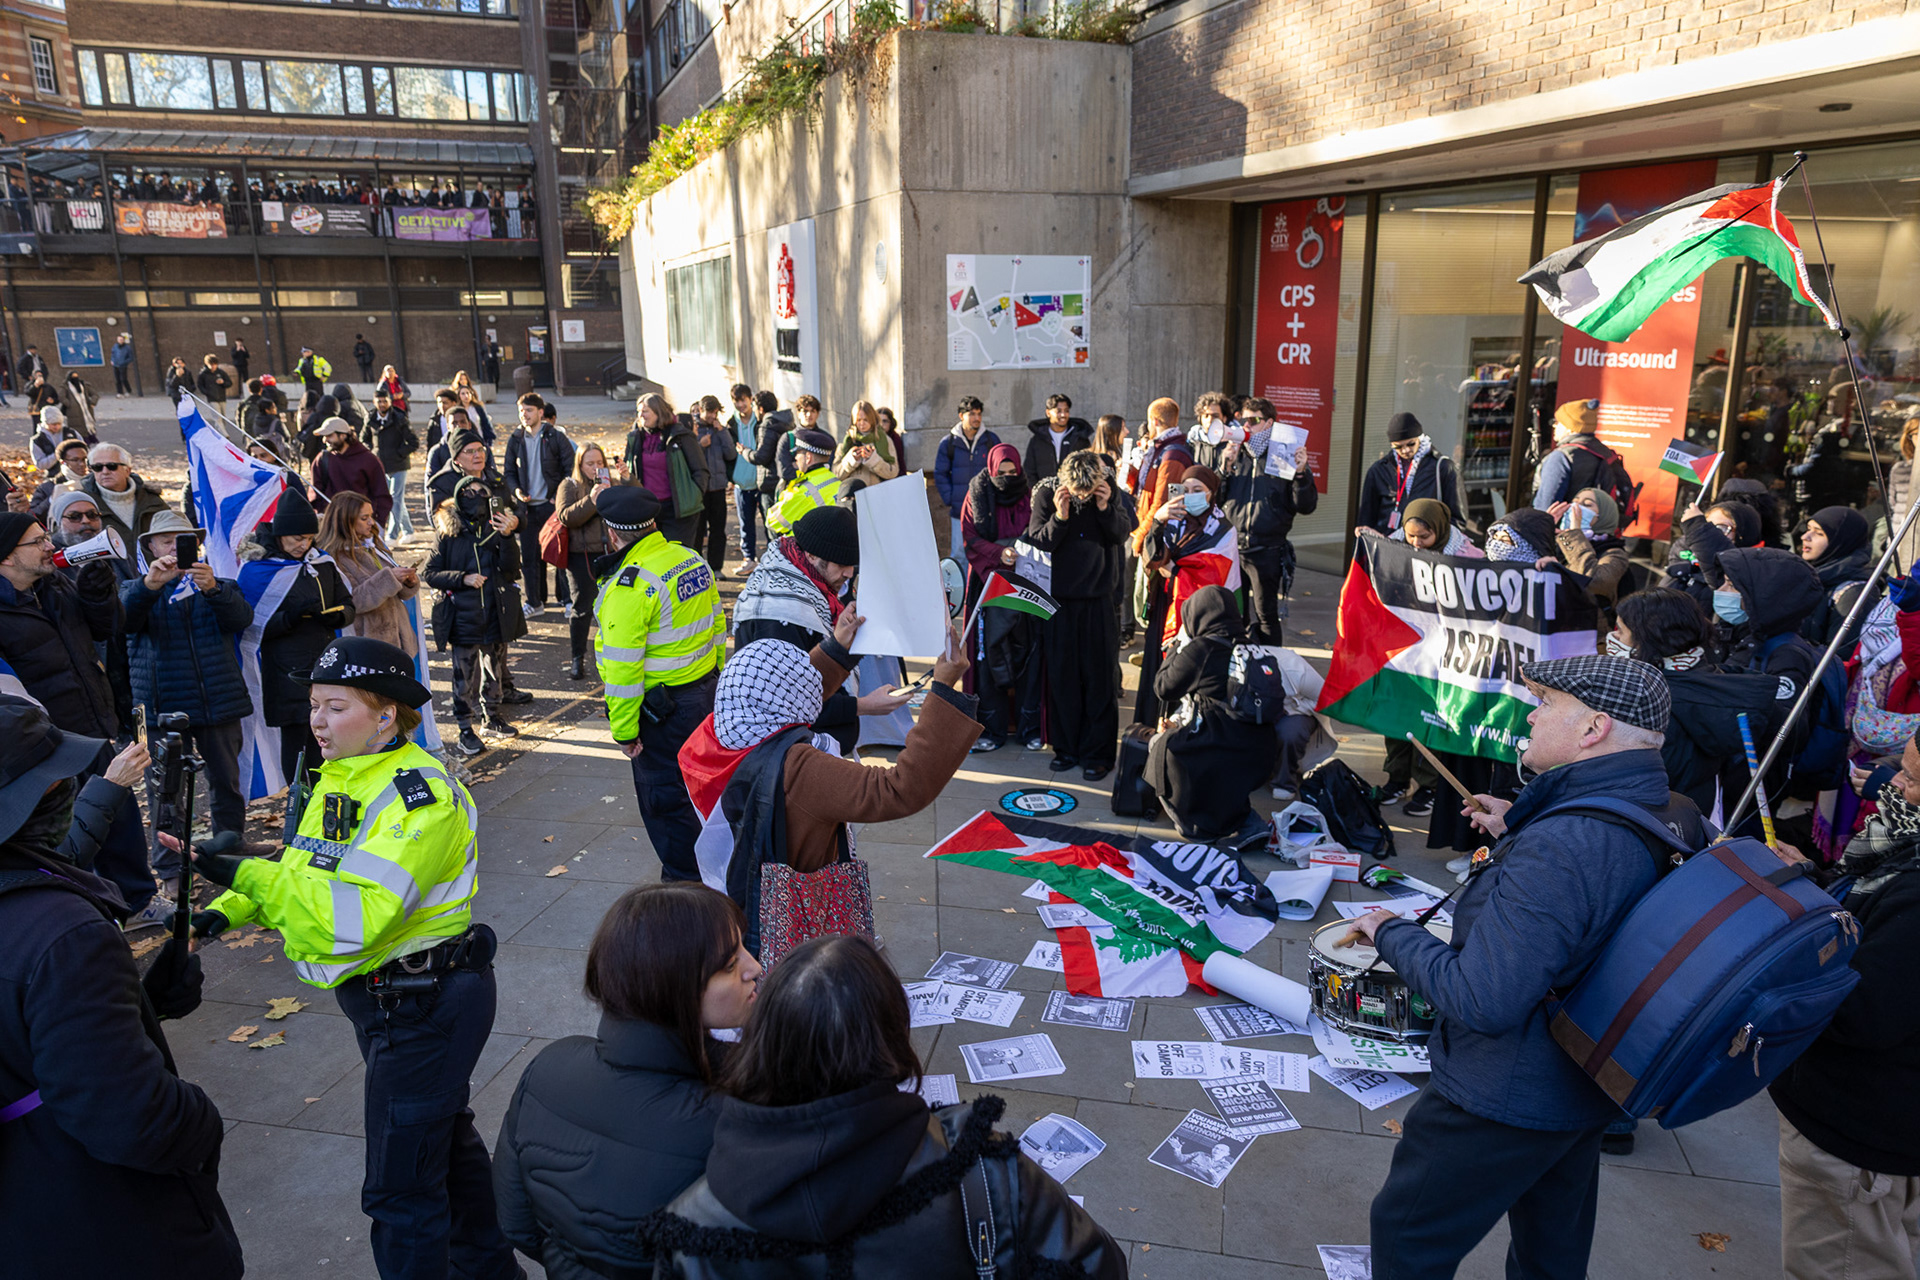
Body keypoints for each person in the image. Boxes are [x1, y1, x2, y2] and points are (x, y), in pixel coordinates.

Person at [1347, 654, 1706, 1279]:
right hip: (1586, 1082)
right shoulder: (1671, 807)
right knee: (1551, 1253)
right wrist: (1520, 819)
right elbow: (1600, 882)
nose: (1532, 717)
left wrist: (1390, 930)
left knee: (1407, 1237)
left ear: (1593, 729)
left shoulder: (1564, 847)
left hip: (1501, 1093)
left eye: (1546, 704)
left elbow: (1483, 1000)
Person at [188, 636, 519, 1280]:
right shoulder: (342, 777)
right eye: (313, 705)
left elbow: (362, 917)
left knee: (400, 1193)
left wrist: (251, 877)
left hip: (422, 1005)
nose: (315, 720)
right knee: (442, 1145)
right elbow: (308, 866)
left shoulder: (419, 797)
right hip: (395, 1001)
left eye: (335, 707)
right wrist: (224, 908)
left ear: (386, 714)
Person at [638, 934, 1125, 1280]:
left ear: (765, 1043)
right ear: (889, 1041)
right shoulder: (978, 1165)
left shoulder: (694, 1223)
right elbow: (1095, 1264)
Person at [0, 697, 242, 1280]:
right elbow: (132, 1117)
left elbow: (31, 1030)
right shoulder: (62, 935)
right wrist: (199, 1120)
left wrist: (141, 1004)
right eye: (56, 779)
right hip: (104, 1223)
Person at [492, 882, 761, 1279]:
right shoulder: (732, 1119)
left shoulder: (547, 1068)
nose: (753, 967)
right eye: (729, 965)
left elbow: (516, 1221)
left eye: (742, 949)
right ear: (673, 990)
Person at [1770, 733, 1920, 1280]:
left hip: (1860, 1138)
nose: (1892, 788)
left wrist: (1782, 963)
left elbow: (1865, 1011)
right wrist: (1815, 881)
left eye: (1911, 779)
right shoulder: (1901, 856)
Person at [0, 511, 166, 925]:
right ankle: (83, 911)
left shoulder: (54, 585)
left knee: (120, 816)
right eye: (37, 542)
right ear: (6, 557)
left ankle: (139, 899)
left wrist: (97, 594)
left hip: (91, 726)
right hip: (45, 745)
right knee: (66, 831)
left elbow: (108, 628)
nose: (49, 546)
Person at [593, 485, 725, 881]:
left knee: (668, 807)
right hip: (704, 697)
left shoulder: (629, 587)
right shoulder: (689, 559)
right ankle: (717, 877)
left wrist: (624, 732)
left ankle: (688, 895)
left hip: (662, 717)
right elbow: (717, 624)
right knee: (707, 799)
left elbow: (623, 671)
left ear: (612, 534)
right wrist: (714, 679)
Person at [122, 509, 254, 845]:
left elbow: (241, 620)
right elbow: (121, 622)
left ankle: (228, 850)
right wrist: (150, 585)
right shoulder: (135, 588)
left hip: (218, 702)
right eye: (166, 541)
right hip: (159, 710)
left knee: (227, 783)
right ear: (151, 547)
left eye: (183, 542)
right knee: (166, 791)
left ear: (196, 546)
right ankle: (171, 867)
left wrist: (212, 590)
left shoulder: (219, 584)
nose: (172, 549)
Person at [733, 504, 907, 753]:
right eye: (842, 564)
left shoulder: (805, 585)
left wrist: (844, 642)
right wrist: (864, 705)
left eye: (853, 565)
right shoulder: (780, 612)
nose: (849, 573)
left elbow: (814, 673)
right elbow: (790, 704)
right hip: (786, 756)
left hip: (804, 750)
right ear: (813, 556)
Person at [1612, 588, 1793, 827]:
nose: (1612, 638)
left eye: (1620, 631)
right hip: (1701, 823)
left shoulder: (1656, 706)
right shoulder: (1711, 682)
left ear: (1647, 642)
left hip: (1661, 829)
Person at [238, 490, 354, 792]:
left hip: (324, 664)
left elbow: (347, 603)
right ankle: (298, 800)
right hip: (285, 670)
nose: (303, 545)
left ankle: (323, 796)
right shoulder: (257, 569)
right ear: (280, 536)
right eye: (296, 539)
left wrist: (337, 616)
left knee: (327, 736)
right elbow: (249, 625)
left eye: (308, 538)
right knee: (296, 739)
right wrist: (290, 617)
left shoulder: (322, 563)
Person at [1146, 584, 1278, 848]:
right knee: (1224, 763)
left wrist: (1178, 646)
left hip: (1218, 749)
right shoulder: (1253, 646)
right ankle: (1247, 822)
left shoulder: (1202, 649)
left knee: (1160, 747)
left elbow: (1163, 688)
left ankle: (1198, 827)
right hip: (1262, 754)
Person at [1026, 449, 1127, 779]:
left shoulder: (1107, 489)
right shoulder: (1047, 492)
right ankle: (1066, 748)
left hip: (1099, 600)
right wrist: (1060, 516)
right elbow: (1037, 542)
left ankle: (1099, 754)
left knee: (1101, 679)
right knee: (1063, 677)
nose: (1083, 496)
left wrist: (1103, 507)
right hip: (1059, 603)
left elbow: (1121, 533)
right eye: (1078, 492)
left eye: (1089, 491)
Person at [424, 474, 526, 756]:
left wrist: (507, 537)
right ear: (458, 497)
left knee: (494, 670)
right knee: (464, 676)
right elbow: (429, 573)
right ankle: (464, 729)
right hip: (463, 618)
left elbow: (510, 568)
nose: (475, 496)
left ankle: (491, 718)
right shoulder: (448, 532)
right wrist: (462, 578)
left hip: (495, 613)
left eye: (481, 491)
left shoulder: (496, 527)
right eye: (468, 492)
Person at [1135, 465, 1239, 725]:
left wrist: (1178, 570)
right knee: (1159, 671)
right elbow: (1152, 557)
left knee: (1186, 672)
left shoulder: (1223, 530)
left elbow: (1216, 577)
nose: (1191, 495)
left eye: (1198, 490)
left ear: (1211, 493)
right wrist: (1158, 521)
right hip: (1166, 607)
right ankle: (1151, 731)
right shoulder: (1172, 519)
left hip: (1199, 618)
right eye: (1186, 489)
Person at [963, 443, 1043, 753]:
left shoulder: (1030, 496)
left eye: (1013, 472)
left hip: (1026, 584)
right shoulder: (977, 495)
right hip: (989, 585)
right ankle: (991, 730)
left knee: (1028, 656)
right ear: (992, 471)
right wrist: (1000, 553)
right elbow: (971, 537)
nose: (1008, 478)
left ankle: (1029, 728)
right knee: (988, 658)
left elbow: (1037, 532)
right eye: (1002, 473)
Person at [1217, 400, 1316, 646]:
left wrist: (1301, 473)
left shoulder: (1285, 453)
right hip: (1233, 548)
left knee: (1266, 616)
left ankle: (1269, 669)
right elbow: (1216, 501)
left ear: (1269, 423)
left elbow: (1305, 506)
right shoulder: (1236, 453)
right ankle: (1238, 665)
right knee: (1234, 613)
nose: (1247, 425)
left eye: (1254, 420)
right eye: (1244, 420)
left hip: (1267, 550)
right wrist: (1223, 468)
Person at [318, 490, 423, 663]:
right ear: (346, 520)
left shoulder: (374, 545)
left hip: (398, 643)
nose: (371, 522)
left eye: (371, 516)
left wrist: (407, 583)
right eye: (364, 518)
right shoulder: (333, 558)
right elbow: (353, 601)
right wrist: (390, 579)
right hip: (367, 646)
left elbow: (397, 592)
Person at [554, 443, 629, 680]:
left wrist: (627, 480)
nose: (596, 468)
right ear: (580, 465)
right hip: (580, 555)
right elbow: (566, 517)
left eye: (600, 463)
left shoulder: (611, 483)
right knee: (582, 607)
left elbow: (632, 506)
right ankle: (578, 657)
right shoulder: (570, 485)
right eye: (590, 464)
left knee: (615, 606)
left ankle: (615, 654)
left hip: (610, 551)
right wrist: (591, 499)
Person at [503, 391, 576, 617]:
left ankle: (567, 601)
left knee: (559, 554)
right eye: (521, 411)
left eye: (529, 410)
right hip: (526, 508)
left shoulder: (555, 437)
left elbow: (570, 468)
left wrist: (558, 495)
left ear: (540, 412)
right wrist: (516, 491)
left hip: (551, 506)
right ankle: (535, 603)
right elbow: (509, 472)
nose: (524, 415)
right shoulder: (515, 439)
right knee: (530, 558)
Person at [622, 393, 710, 548]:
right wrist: (625, 474)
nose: (640, 415)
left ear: (659, 412)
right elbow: (631, 473)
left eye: (645, 411)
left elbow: (701, 470)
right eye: (638, 411)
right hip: (647, 510)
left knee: (678, 558)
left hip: (679, 510)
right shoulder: (635, 437)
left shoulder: (681, 436)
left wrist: (694, 496)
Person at [1357, 412, 1463, 534]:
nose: (1406, 450)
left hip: (1426, 545)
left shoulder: (1443, 468)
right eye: (1398, 447)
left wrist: (1440, 543)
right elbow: (1366, 519)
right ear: (1392, 445)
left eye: (1411, 444)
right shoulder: (1378, 470)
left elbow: (1458, 520)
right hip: (1388, 543)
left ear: (1420, 438)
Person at [1552, 487, 1632, 629]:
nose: (1576, 507)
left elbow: (1594, 581)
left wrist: (1575, 536)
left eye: (1587, 505)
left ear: (1605, 515)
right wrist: (1542, 529)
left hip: (1585, 634)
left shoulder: (1614, 553)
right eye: (1574, 502)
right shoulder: (1559, 542)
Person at [1799, 505, 1872, 651]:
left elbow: (1842, 653)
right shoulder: (1808, 575)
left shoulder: (1853, 592)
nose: (1805, 537)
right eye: (1808, 529)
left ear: (1840, 542)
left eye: (1819, 533)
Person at [934, 394, 999, 555]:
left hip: (987, 509)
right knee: (959, 553)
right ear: (961, 416)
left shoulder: (991, 440)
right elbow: (940, 473)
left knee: (987, 552)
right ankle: (959, 582)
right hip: (960, 510)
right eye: (972, 414)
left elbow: (999, 471)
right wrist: (951, 498)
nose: (976, 418)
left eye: (979, 414)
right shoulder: (948, 443)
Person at [1531, 399, 1617, 509]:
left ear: (1570, 428)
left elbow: (1545, 507)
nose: (1554, 427)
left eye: (1558, 423)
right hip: (1597, 524)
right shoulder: (1604, 452)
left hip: (1565, 525)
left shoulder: (1561, 458)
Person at [81, 442, 172, 547]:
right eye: (97, 467)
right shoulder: (82, 503)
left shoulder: (152, 501)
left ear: (127, 470)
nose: (105, 472)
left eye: (112, 466)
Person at [309, 416, 392, 527]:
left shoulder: (368, 460)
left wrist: (378, 523)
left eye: (329, 436)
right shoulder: (322, 459)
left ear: (343, 435)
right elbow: (315, 493)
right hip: (331, 525)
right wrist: (320, 516)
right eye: (324, 436)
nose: (325, 440)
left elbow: (381, 494)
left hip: (361, 525)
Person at [363, 387, 419, 542]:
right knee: (396, 501)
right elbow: (364, 439)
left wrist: (399, 453)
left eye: (385, 401)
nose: (382, 404)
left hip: (399, 465)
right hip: (380, 466)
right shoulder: (370, 418)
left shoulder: (399, 417)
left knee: (394, 499)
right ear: (374, 402)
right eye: (379, 401)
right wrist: (371, 453)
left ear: (390, 401)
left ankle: (392, 535)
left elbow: (414, 442)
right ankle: (408, 531)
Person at [690, 394, 737, 574]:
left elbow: (731, 455)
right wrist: (700, 445)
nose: (712, 416)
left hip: (718, 488)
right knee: (698, 531)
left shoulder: (720, 430)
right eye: (710, 412)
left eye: (715, 412)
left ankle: (716, 568)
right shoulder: (692, 430)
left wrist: (723, 432)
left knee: (718, 530)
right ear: (701, 410)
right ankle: (695, 568)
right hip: (699, 489)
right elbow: (687, 458)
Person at [766, 427, 839, 538]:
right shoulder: (834, 480)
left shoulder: (801, 492)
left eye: (798, 453)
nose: (795, 458)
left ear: (808, 457)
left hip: (805, 550)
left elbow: (772, 522)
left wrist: (786, 494)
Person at [726, 383, 766, 575]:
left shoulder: (761, 421)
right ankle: (749, 559)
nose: (740, 404)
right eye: (736, 401)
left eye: (743, 400)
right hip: (741, 482)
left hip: (761, 480)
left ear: (750, 399)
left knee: (769, 522)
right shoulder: (730, 424)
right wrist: (730, 476)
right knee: (746, 523)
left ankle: (771, 559)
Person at [1024, 391, 1093, 485]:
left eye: (1066, 411)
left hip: (1073, 492)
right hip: (1044, 493)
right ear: (1048, 413)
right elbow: (1029, 470)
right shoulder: (1037, 440)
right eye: (1059, 411)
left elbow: (1088, 466)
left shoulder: (1079, 438)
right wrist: (1038, 491)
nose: (1063, 415)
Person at [833, 398, 899, 495]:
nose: (862, 424)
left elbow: (893, 472)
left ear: (872, 420)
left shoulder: (885, 440)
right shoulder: (847, 441)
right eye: (858, 420)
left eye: (866, 420)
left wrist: (873, 460)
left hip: (877, 494)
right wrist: (852, 460)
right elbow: (836, 474)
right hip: (853, 495)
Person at [29, 436, 91, 521]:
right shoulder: (48, 487)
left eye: (84, 459)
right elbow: (33, 515)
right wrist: (52, 498)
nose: (82, 464)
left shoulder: (95, 482)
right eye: (75, 460)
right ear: (63, 462)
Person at [60, 369, 99, 441]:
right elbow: (61, 397)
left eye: (76, 377)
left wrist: (93, 402)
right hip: (74, 413)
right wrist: (70, 404)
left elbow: (95, 394)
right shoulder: (65, 387)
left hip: (86, 410)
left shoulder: (84, 385)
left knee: (88, 429)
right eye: (73, 377)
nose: (75, 379)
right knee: (78, 432)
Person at [109, 330, 135, 396]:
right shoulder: (115, 346)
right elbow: (113, 354)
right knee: (117, 379)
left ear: (123, 340)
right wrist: (112, 360)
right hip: (115, 364)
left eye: (121, 339)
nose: (120, 340)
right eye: (119, 339)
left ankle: (129, 390)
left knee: (123, 379)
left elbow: (131, 357)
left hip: (123, 365)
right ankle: (119, 392)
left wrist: (124, 362)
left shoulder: (127, 348)